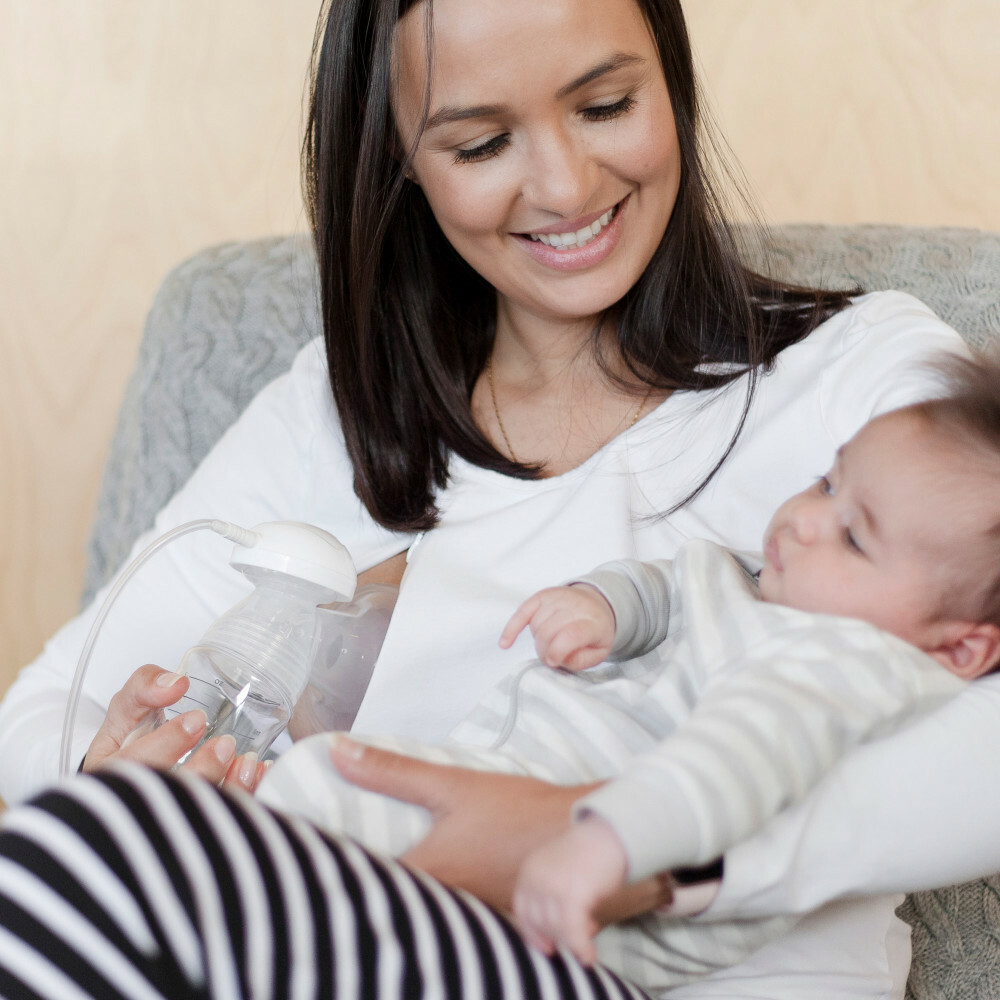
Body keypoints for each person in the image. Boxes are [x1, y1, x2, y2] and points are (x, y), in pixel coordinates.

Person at [0, 0, 990, 996]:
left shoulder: (867, 398)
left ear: (672, 84)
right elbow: (36, 722)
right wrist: (123, 764)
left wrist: (625, 845)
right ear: (399, 157)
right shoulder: (335, 418)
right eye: (480, 143)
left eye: (605, 105)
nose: (564, 185)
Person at [254, 355, 1000, 994]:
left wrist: (601, 844)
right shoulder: (773, 593)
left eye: (854, 539)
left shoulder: (833, 665)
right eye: (826, 484)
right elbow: (681, 581)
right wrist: (606, 605)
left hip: (588, 896)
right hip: (527, 821)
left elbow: (728, 767)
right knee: (303, 830)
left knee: (318, 793)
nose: (805, 520)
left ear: (961, 650)